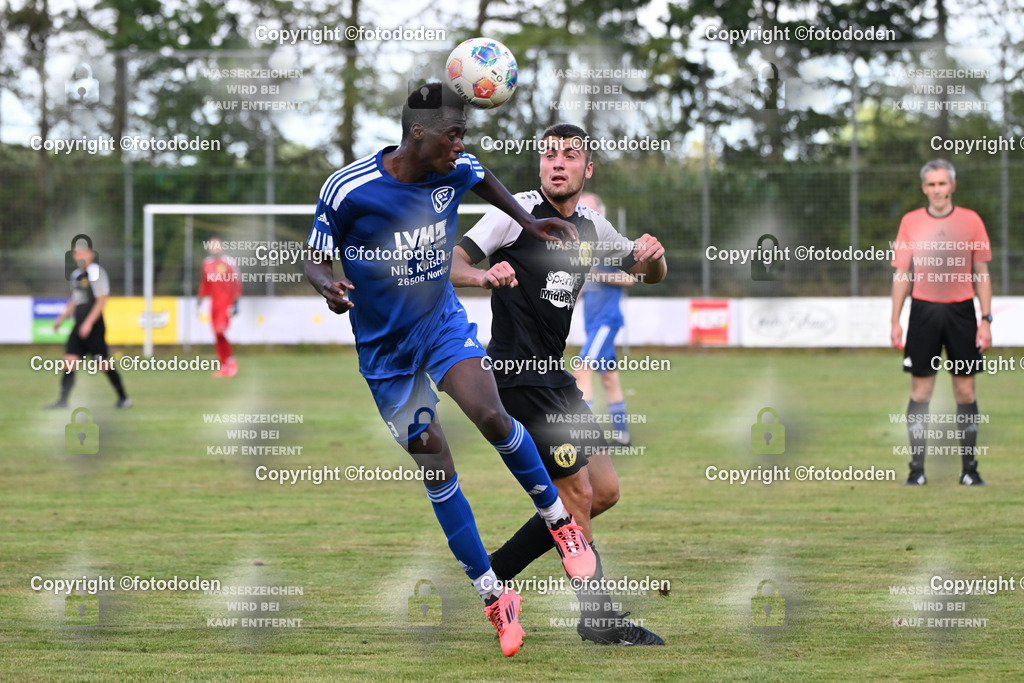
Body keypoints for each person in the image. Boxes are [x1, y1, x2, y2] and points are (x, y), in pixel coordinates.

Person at [303, 83, 595, 658]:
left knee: (489, 412)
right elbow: (313, 255)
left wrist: (529, 225)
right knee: (435, 459)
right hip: (385, 355)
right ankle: (493, 595)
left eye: (464, 134)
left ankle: (559, 522)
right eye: (453, 134)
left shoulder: (455, 167)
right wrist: (329, 288)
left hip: (440, 325)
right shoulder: (349, 189)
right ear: (418, 134)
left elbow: (484, 178)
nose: (462, 145)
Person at [450, 124, 667, 645]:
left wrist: (654, 256)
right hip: (515, 377)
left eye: (570, 155)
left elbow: (647, 272)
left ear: (586, 169)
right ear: (540, 166)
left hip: (556, 377)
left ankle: (497, 569)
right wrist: (484, 278)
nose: (557, 162)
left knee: (604, 493)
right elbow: (453, 260)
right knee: (576, 493)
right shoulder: (512, 213)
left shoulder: (593, 227)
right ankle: (599, 618)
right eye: (549, 154)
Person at [891, 159, 992, 486]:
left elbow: (982, 273)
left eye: (942, 183)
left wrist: (985, 319)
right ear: (924, 188)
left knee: (965, 389)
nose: (937, 190)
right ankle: (916, 471)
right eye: (931, 184)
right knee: (921, 390)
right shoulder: (910, 222)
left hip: (961, 312)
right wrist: (896, 320)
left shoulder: (971, 221)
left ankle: (969, 470)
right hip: (923, 313)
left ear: (952, 186)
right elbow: (902, 274)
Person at [573, 192, 636, 447]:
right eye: (580, 209)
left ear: (601, 212)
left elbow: (630, 279)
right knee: (609, 378)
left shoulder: (611, 243)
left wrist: (597, 273)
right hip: (592, 324)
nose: (584, 214)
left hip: (606, 322)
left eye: (589, 209)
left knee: (582, 367)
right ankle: (622, 435)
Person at [47, 237, 131, 409]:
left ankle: (124, 398)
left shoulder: (97, 273)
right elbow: (75, 300)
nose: (81, 257)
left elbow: (101, 300)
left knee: (103, 364)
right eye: (77, 254)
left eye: (84, 253)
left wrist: (88, 323)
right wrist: (62, 318)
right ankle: (63, 401)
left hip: (94, 327)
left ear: (91, 254)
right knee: (69, 361)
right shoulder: (76, 275)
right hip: (79, 326)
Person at [198, 237, 241, 377]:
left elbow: (236, 282)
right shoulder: (207, 263)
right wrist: (199, 300)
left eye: (217, 246)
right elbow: (205, 284)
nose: (214, 248)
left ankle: (231, 362)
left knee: (220, 331)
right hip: (214, 304)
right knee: (216, 334)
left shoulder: (228, 262)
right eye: (212, 246)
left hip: (226, 303)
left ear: (222, 247)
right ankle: (224, 365)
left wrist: (236, 302)